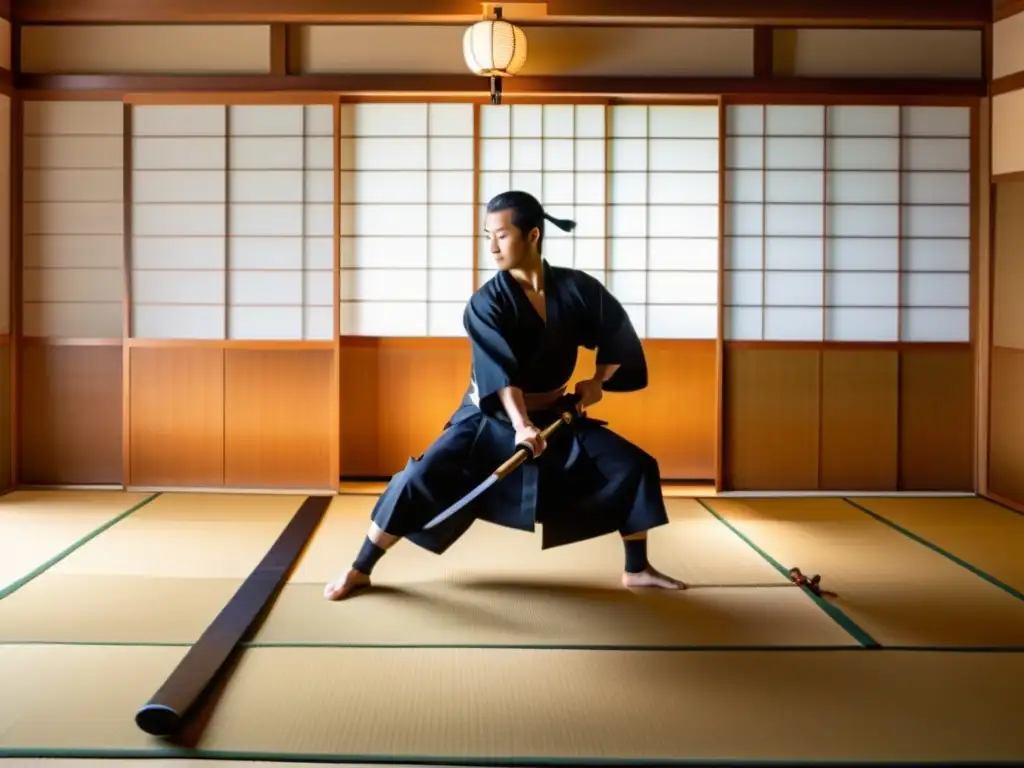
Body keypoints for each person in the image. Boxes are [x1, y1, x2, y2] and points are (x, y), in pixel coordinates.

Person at [324, 190, 685, 601]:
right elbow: (500, 373)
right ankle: (360, 568)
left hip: (556, 414)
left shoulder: (577, 288)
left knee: (633, 465)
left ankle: (636, 569)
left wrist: (597, 382)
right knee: (418, 477)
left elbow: (617, 334)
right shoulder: (486, 303)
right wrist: (521, 425)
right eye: (487, 236)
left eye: (501, 235)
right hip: (491, 417)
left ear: (533, 235)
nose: (491, 247)